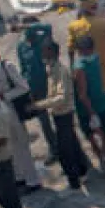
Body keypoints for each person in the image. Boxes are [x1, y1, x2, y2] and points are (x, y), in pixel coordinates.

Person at [0, 40, 43, 192]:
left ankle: (33, 181)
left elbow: (23, 87)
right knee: (10, 146)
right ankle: (19, 178)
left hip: (12, 110)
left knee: (21, 145)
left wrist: (3, 96)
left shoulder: (6, 66)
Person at [31, 40, 89, 189]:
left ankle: (74, 180)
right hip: (60, 113)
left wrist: (39, 105)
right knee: (73, 143)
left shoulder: (60, 71)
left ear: (52, 52)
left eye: (45, 51)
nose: (42, 54)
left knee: (65, 150)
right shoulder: (51, 68)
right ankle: (82, 169)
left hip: (64, 113)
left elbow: (61, 97)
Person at [72, 34, 105, 180]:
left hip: (100, 104)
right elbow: (83, 95)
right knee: (95, 136)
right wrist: (92, 113)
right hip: (90, 109)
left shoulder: (93, 61)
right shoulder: (81, 67)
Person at [17, 22, 60, 158]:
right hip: (34, 89)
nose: (30, 38)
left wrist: (29, 26)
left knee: (59, 116)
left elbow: (48, 26)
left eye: (32, 34)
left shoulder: (43, 40)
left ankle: (66, 145)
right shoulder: (21, 47)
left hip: (50, 85)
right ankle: (54, 148)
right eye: (28, 35)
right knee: (44, 121)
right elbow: (23, 67)